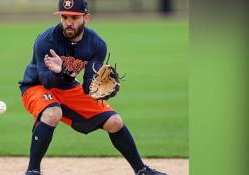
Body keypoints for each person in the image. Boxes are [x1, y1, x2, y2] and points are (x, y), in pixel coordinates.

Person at [18, 0, 168, 174]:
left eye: (74, 17)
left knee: (114, 121)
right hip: (36, 86)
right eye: (64, 17)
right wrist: (60, 71)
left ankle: (141, 170)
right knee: (53, 112)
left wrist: (101, 90)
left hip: (67, 87)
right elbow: (46, 81)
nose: (68, 22)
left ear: (86, 17)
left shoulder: (97, 45)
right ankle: (32, 171)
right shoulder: (46, 40)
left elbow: (88, 84)